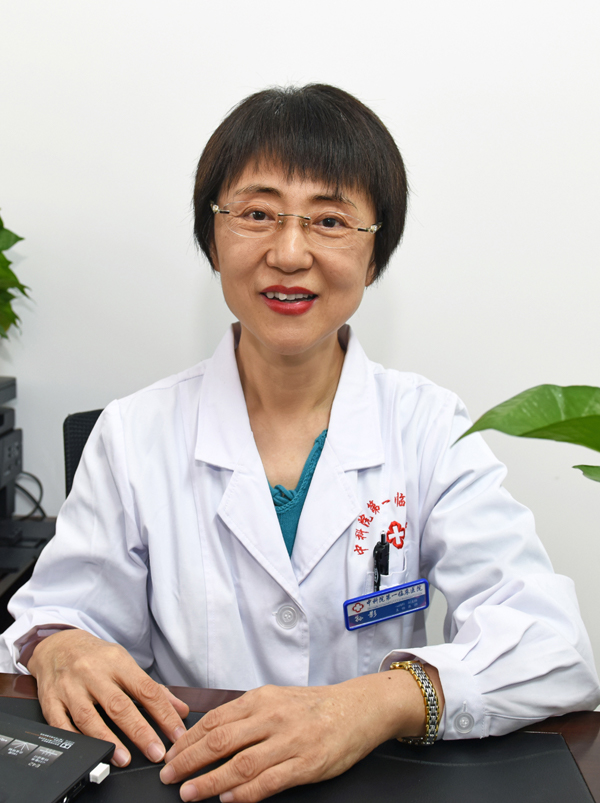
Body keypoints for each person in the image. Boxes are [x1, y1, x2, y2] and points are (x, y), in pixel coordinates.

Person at [1, 84, 598, 803]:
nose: (289, 253)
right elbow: (57, 616)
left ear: (374, 254)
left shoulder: (430, 427)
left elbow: (550, 646)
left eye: (330, 220)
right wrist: (61, 645)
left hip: (378, 785)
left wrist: (376, 702)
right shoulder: (134, 433)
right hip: (189, 782)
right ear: (213, 237)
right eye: (257, 214)